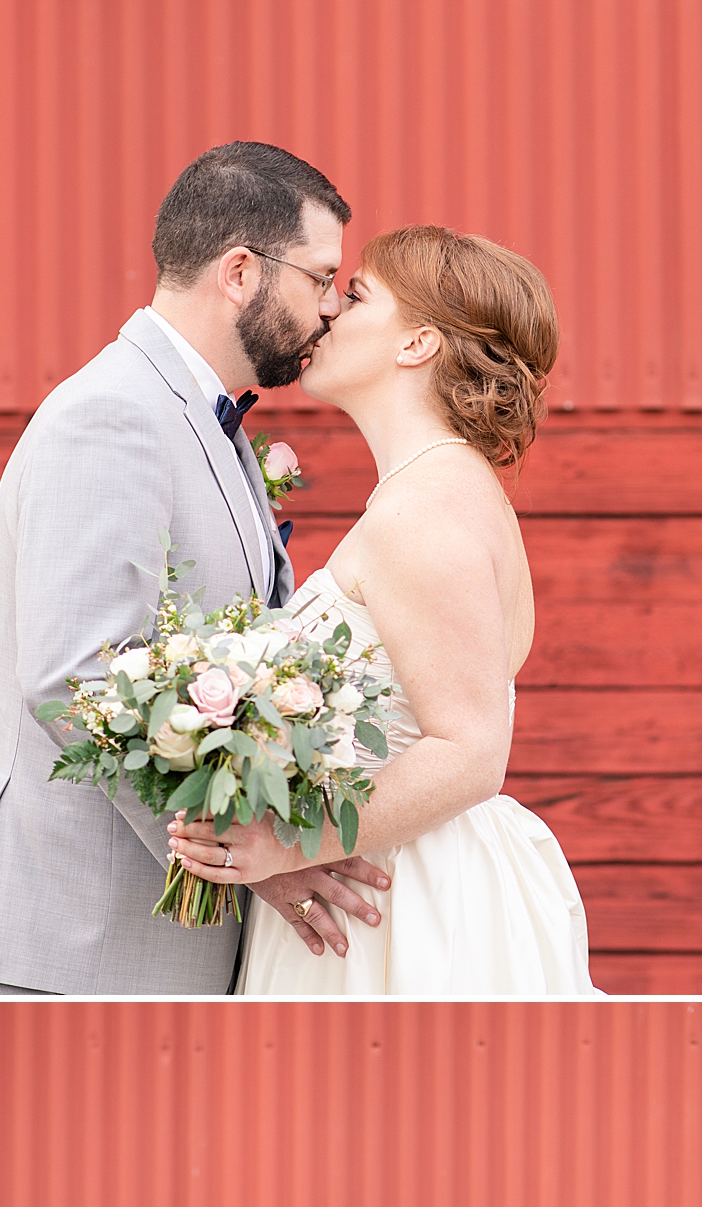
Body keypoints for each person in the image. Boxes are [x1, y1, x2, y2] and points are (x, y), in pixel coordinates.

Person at [0, 143, 388, 996]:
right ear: (242, 272)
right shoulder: (113, 416)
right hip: (87, 945)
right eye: (321, 278)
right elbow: (76, 678)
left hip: (154, 949)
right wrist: (242, 859)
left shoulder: (199, 421)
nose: (332, 306)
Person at [168, 226, 602, 996]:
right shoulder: (447, 491)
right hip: (394, 887)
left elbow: (470, 749)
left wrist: (284, 846)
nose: (328, 309)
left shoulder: (425, 511)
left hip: (395, 914)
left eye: (358, 294)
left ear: (417, 345)